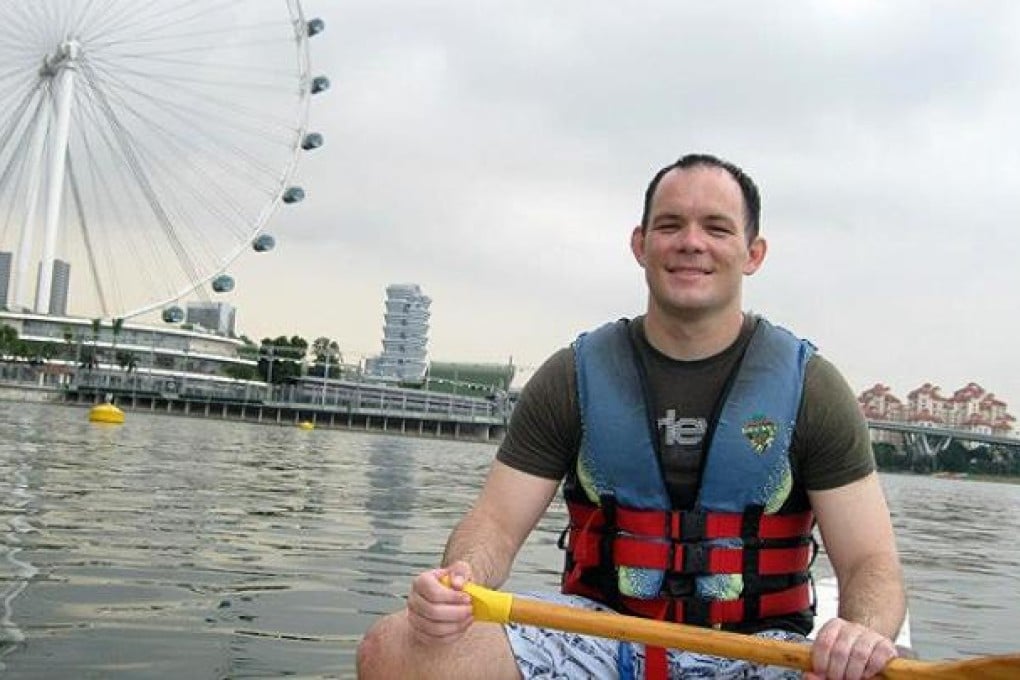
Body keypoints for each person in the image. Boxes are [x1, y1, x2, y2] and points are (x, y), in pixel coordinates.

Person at [357, 153, 906, 679]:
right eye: (670, 225)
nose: (691, 242)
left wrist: (863, 634)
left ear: (753, 253)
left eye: (716, 228)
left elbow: (869, 563)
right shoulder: (572, 376)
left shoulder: (813, 387)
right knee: (395, 648)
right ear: (640, 245)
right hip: (600, 640)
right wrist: (463, 580)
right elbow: (495, 524)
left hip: (762, 649)